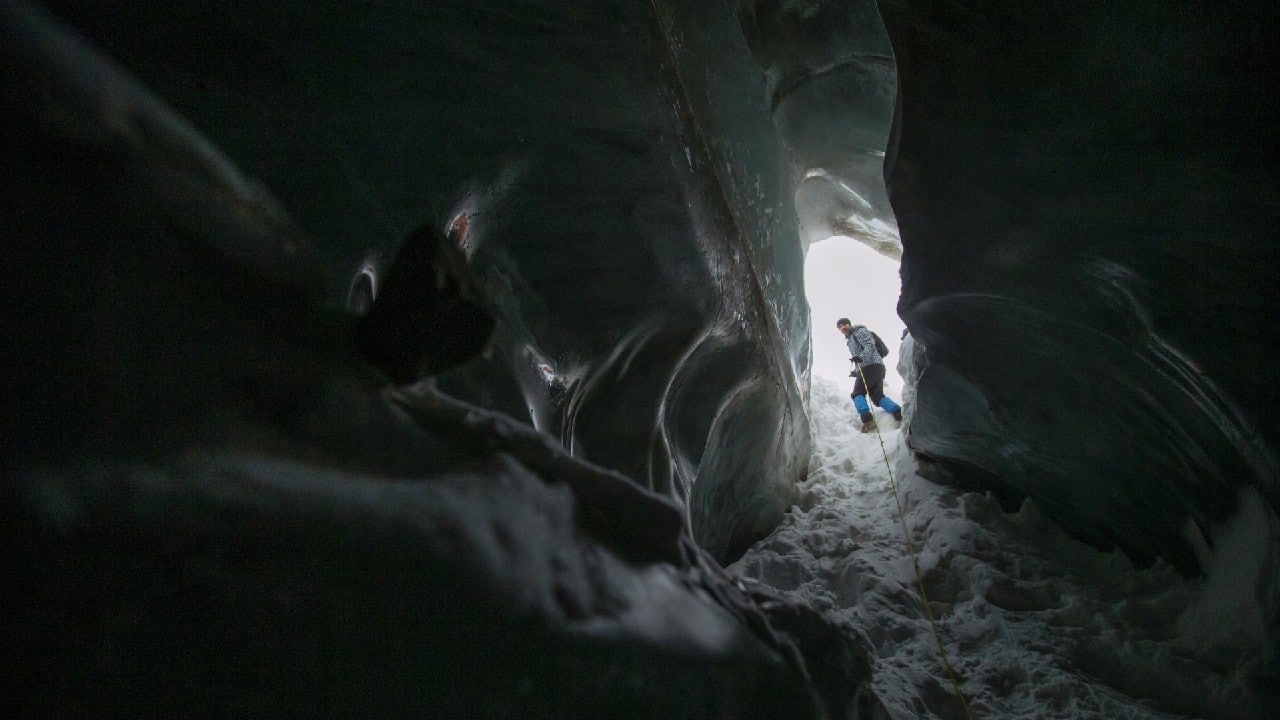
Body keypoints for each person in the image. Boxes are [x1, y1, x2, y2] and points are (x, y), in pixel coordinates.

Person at [836, 317, 902, 432]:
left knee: (857, 393)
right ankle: (897, 411)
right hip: (875, 367)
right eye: (840, 327)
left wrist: (860, 358)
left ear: (849, 324)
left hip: (870, 366)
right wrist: (856, 371)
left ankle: (868, 421)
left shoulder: (859, 331)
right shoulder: (850, 339)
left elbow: (869, 345)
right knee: (877, 396)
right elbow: (860, 354)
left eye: (844, 325)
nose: (842, 328)